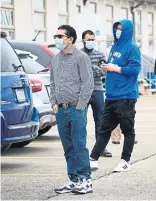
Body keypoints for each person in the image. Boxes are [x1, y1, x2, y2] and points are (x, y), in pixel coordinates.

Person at [89, 20, 141, 172]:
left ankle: (125, 161)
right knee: (104, 129)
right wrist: (106, 67)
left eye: (121, 29)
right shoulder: (114, 47)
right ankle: (93, 159)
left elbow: (134, 69)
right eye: (116, 28)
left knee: (127, 130)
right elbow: (113, 66)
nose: (118, 31)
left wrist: (115, 68)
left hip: (125, 96)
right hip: (111, 95)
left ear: (127, 30)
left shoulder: (132, 48)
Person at [50, 25, 94, 194]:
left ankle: (86, 181)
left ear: (70, 39)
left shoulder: (81, 57)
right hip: (61, 110)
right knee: (68, 147)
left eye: (60, 36)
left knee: (79, 145)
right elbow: (52, 83)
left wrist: (80, 106)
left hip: (76, 109)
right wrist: (53, 102)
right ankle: (73, 179)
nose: (57, 39)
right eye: (56, 35)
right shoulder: (55, 59)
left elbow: (88, 84)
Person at [81, 30, 112, 158]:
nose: (91, 42)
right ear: (83, 40)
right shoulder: (78, 55)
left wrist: (90, 67)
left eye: (93, 39)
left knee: (100, 120)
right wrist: (94, 69)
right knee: (81, 121)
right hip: (82, 92)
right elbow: (79, 73)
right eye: (89, 39)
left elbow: (104, 71)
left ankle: (101, 148)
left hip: (98, 90)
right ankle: (81, 148)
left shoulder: (99, 54)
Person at [105, 42, 138, 145]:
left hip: (127, 89)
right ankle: (116, 137)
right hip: (114, 88)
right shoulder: (109, 50)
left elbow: (134, 69)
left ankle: (128, 135)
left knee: (127, 115)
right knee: (115, 114)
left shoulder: (131, 49)